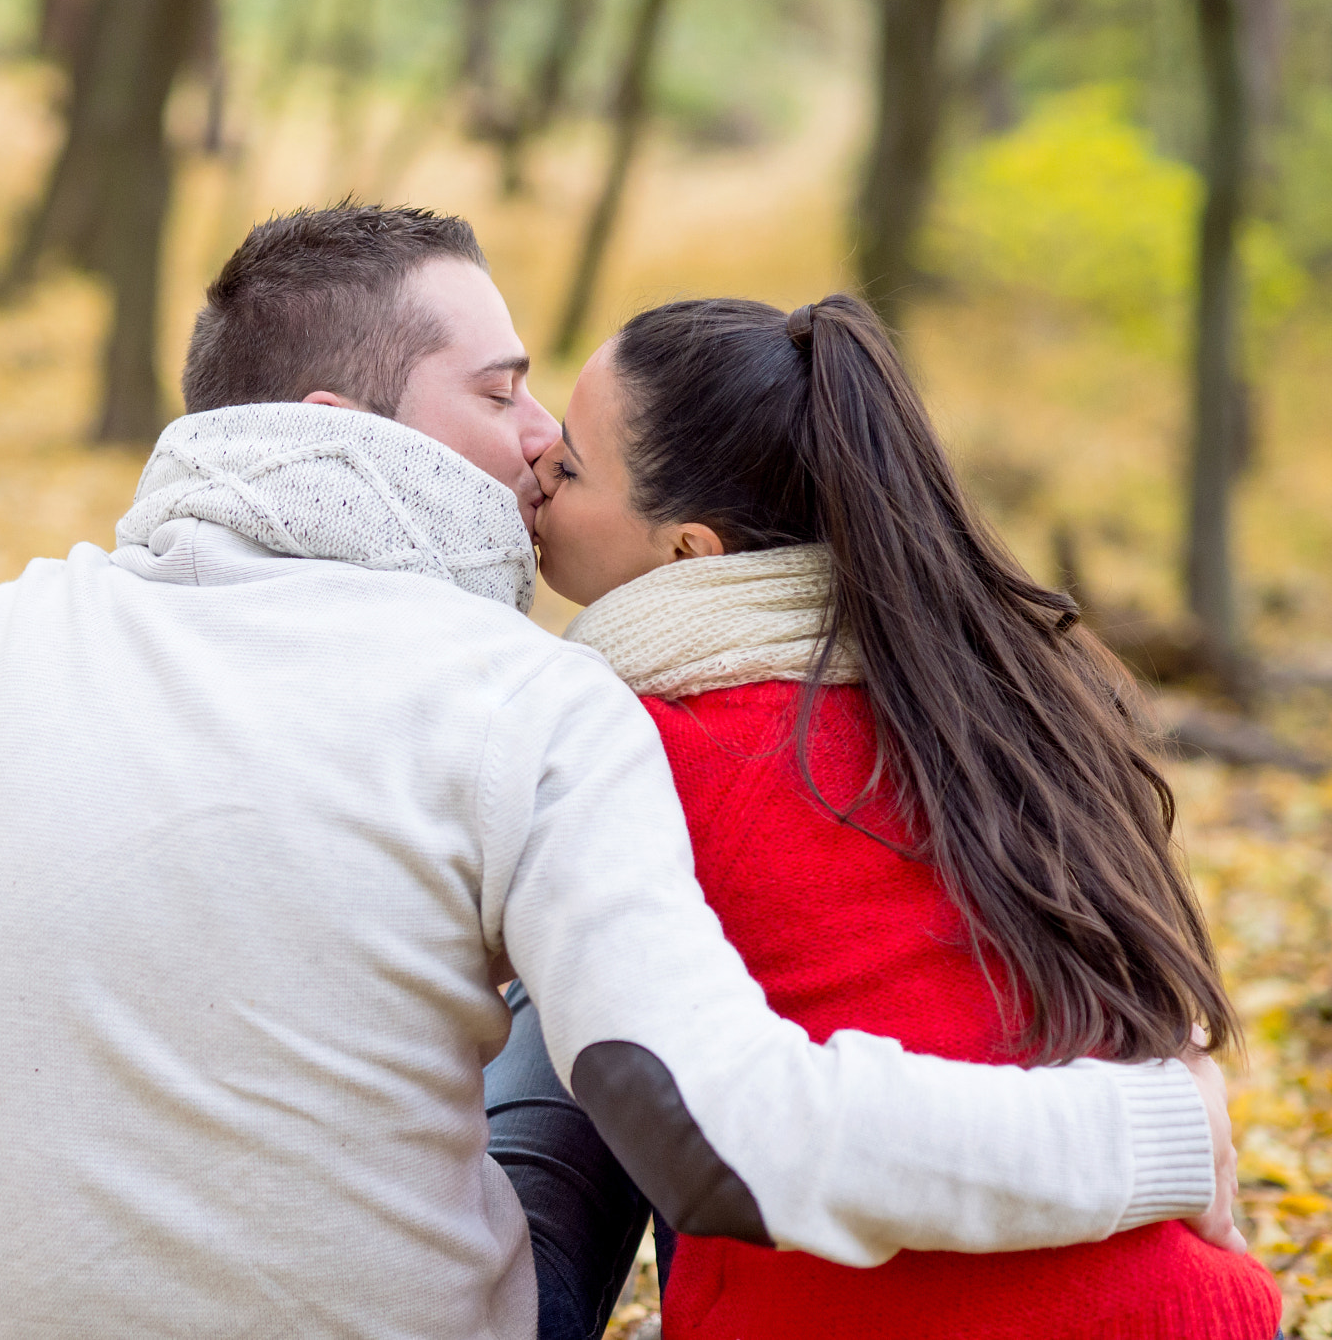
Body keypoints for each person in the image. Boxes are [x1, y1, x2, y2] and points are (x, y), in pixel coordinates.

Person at [0, 205, 1242, 1340]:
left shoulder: (8, 638)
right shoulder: (533, 701)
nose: (543, 437)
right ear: (344, 424)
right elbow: (724, 1127)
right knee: (603, 996)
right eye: (503, 390)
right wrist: (1158, 1124)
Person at [527, 292, 1280, 1338]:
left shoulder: (644, 748)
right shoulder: (993, 699)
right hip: (1185, 1304)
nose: (531, 469)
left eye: (567, 464)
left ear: (689, 554)